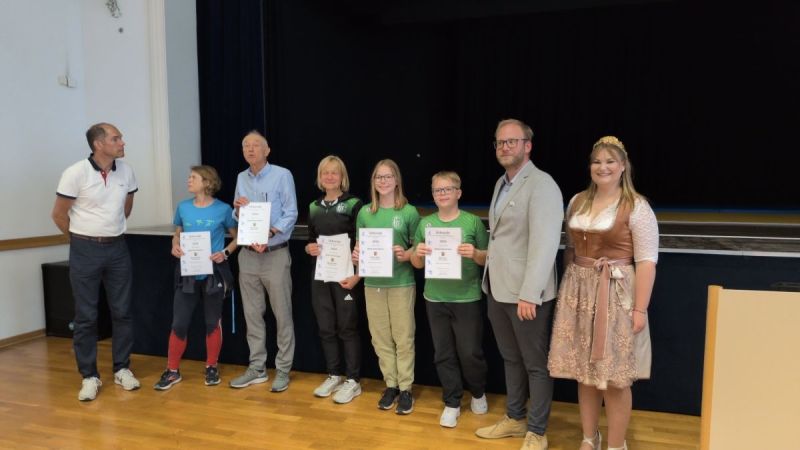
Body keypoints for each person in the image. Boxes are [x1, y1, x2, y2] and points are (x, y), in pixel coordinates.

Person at [547, 136, 658, 450]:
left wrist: (639, 309)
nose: (602, 167)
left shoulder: (637, 206)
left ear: (623, 166)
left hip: (616, 292)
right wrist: (569, 292)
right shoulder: (577, 201)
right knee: (585, 372)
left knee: (615, 378)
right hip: (579, 292)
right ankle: (589, 437)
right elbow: (570, 250)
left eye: (610, 161)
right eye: (597, 161)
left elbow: (647, 262)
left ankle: (616, 444)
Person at [475, 119, 564, 450]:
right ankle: (515, 419)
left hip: (527, 295)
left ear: (528, 145)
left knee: (535, 365)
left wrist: (530, 293)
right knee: (511, 359)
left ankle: (537, 431)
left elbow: (544, 244)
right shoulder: (502, 184)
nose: (504, 147)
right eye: (499, 142)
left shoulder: (542, 185)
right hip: (498, 289)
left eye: (511, 141)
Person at [51, 122, 141, 401]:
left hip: (117, 248)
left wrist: (109, 230)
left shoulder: (126, 171)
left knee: (122, 311)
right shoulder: (75, 173)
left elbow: (126, 207)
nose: (122, 142)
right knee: (86, 316)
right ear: (98, 144)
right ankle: (89, 375)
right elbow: (58, 215)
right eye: (116, 138)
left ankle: (122, 369)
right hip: (84, 249)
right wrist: (81, 239)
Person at [410, 171, 489, 428]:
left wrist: (475, 253)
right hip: (435, 298)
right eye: (437, 190)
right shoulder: (425, 223)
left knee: (470, 353)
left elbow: (488, 258)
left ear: (458, 193)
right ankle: (452, 401)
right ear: (433, 195)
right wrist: (418, 253)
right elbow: (416, 263)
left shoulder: (472, 222)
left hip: (467, 298)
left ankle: (477, 392)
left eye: (447, 189)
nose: (442, 194)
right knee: (443, 353)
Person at [154, 165, 238, 390]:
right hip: (188, 273)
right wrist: (174, 245)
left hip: (213, 274)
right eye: (189, 177)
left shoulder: (223, 209)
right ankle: (172, 371)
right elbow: (178, 234)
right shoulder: (183, 207)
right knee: (179, 322)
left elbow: (237, 237)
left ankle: (211, 367)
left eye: (193, 177)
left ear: (207, 182)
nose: (189, 180)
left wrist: (225, 253)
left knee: (212, 322)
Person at [229, 130, 298, 393]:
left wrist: (269, 232)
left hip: (274, 253)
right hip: (248, 255)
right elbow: (238, 216)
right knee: (252, 314)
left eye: (256, 145)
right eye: (245, 145)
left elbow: (291, 212)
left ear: (267, 150)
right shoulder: (241, 177)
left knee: (282, 314)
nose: (250, 149)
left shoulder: (282, 175)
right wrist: (238, 209)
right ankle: (257, 367)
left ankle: (283, 369)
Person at [353, 159, 420, 415]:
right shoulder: (365, 213)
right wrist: (356, 256)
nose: (383, 181)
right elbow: (359, 248)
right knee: (380, 338)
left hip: (401, 283)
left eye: (388, 176)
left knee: (403, 338)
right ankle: (390, 385)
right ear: (373, 182)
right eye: (378, 177)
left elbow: (418, 248)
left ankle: (406, 388)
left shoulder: (409, 212)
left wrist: (406, 254)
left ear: (397, 180)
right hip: (373, 284)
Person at [304, 155, 364, 404]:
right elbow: (311, 240)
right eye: (325, 172)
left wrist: (357, 275)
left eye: (334, 172)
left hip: (346, 277)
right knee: (326, 327)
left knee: (347, 327)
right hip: (321, 275)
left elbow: (362, 241)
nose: (329, 177)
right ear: (320, 177)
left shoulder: (354, 204)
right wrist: (309, 248)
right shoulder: (313, 206)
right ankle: (334, 374)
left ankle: (353, 380)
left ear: (342, 177)